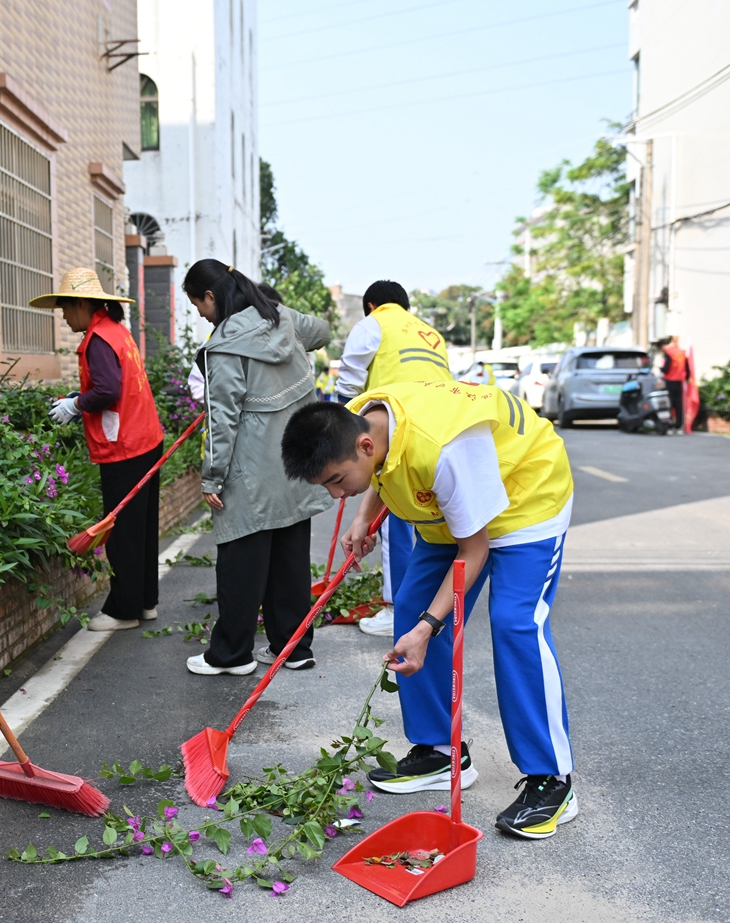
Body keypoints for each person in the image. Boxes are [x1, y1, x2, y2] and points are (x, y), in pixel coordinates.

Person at [280, 383, 580, 840]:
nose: (336, 495)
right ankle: (441, 751)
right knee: (411, 605)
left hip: (525, 498)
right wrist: (364, 518)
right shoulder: (361, 419)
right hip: (455, 508)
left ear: (363, 446)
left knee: (515, 623)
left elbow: (474, 551)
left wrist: (430, 627)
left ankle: (552, 779)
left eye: (337, 481)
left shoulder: (442, 448)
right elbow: (381, 467)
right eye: (327, 486)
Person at [184, 260, 332, 676]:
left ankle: (231, 654)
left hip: (250, 472)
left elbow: (223, 419)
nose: (200, 314)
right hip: (295, 464)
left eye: (198, 304)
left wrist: (212, 476)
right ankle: (294, 647)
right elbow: (321, 330)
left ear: (211, 296)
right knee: (290, 562)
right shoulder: (280, 317)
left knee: (240, 564)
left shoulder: (224, 346)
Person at [32, 268, 164, 631]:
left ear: (80, 304)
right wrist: (80, 399)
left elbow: (108, 391)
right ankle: (145, 601)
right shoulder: (116, 332)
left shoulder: (97, 340)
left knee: (121, 530)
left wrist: (76, 405)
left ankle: (124, 610)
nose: (62, 315)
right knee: (142, 527)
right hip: (146, 440)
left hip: (125, 448)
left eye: (64, 308)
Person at [332, 280, 452, 640]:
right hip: (441, 430)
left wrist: (339, 437)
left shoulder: (372, 324)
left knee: (395, 520)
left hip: (398, 429)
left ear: (370, 304)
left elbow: (350, 382)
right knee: (434, 522)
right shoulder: (431, 333)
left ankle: (396, 606)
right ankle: (431, 605)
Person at [659, 335, 687, 432]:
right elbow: (687, 368)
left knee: (669, 404)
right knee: (679, 404)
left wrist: (660, 369)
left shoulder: (669, 353)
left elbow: (665, 368)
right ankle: (679, 426)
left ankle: (670, 426)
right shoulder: (682, 352)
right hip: (679, 381)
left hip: (669, 381)